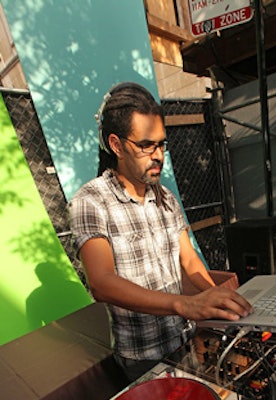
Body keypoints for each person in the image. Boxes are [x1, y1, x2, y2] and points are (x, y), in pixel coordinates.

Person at [69, 82, 252, 381]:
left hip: (185, 339)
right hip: (142, 357)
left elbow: (190, 261)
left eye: (162, 144)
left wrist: (217, 299)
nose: (158, 155)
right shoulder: (90, 201)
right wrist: (184, 304)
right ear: (116, 145)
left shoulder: (165, 197)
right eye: (146, 145)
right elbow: (101, 283)